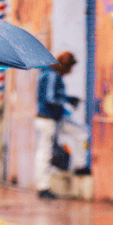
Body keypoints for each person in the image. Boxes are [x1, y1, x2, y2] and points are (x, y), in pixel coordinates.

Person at [35, 51, 81, 199]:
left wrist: (67, 98)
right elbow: (50, 98)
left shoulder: (47, 73)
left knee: (46, 151)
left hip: (48, 119)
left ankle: (77, 167)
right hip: (48, 119)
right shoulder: (52, 75)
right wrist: (66, 101)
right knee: (45, 153)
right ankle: (43, 187)